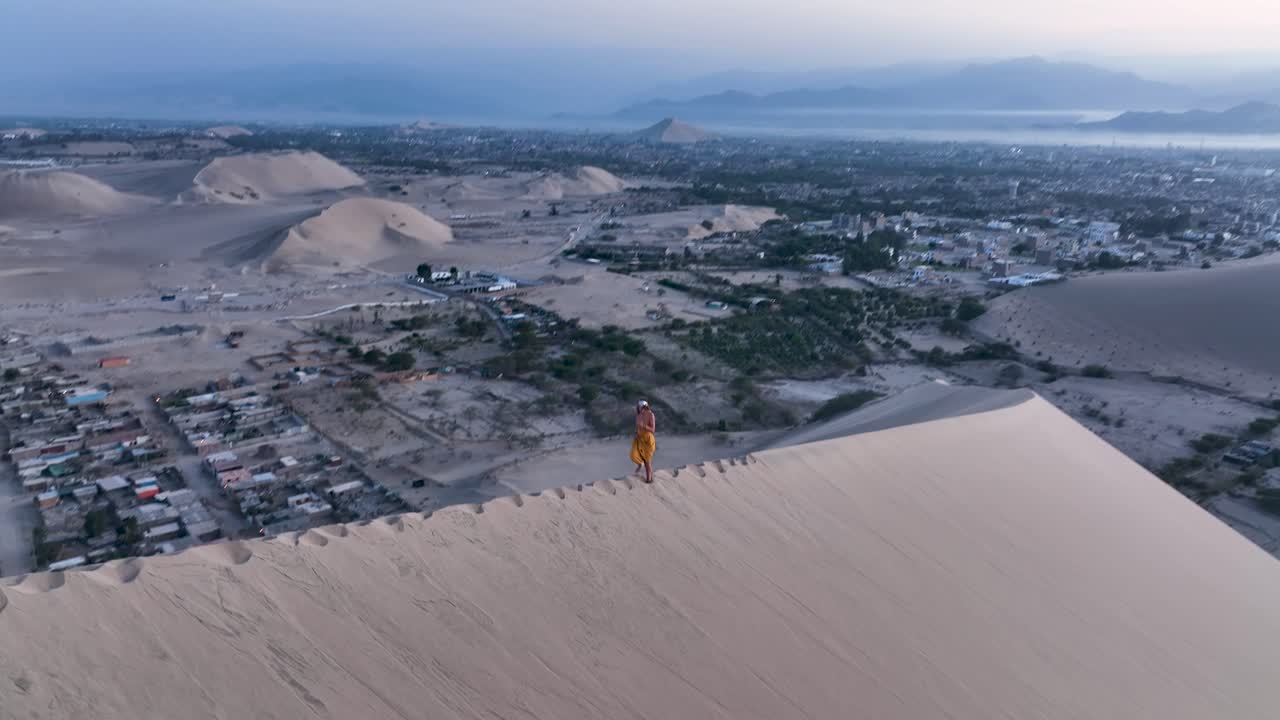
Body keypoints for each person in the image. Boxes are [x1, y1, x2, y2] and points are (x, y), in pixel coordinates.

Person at [630, 399, 657, 483]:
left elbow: (652, 430)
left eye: (640, 407)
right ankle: (639, 464)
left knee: (647, 461)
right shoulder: (638, 416)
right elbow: (638, 427)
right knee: (633, 454)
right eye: (638, 408)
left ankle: (649, 479)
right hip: (639, 438)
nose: (639, 409)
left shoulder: (650, 415)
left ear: (645, 407)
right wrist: (636, 432)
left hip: (648, 439)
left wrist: (644, 426)